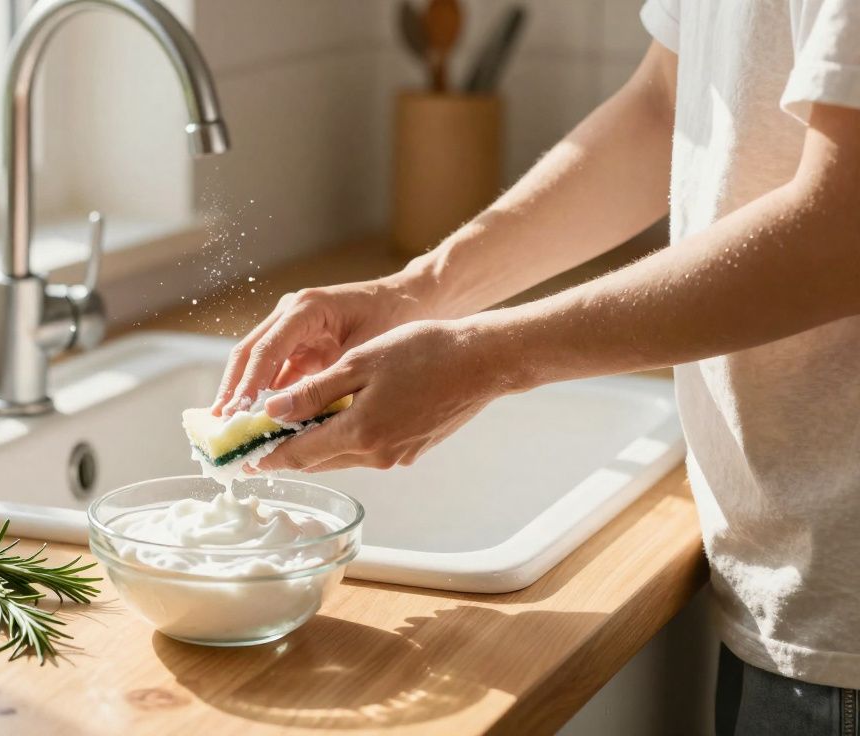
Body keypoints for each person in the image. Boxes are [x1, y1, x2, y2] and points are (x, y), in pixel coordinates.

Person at [212, 2, 860, 732]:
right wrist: (420, 291)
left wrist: (485, 359)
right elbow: (666, 106)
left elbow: (843, 225)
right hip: (786, 579)